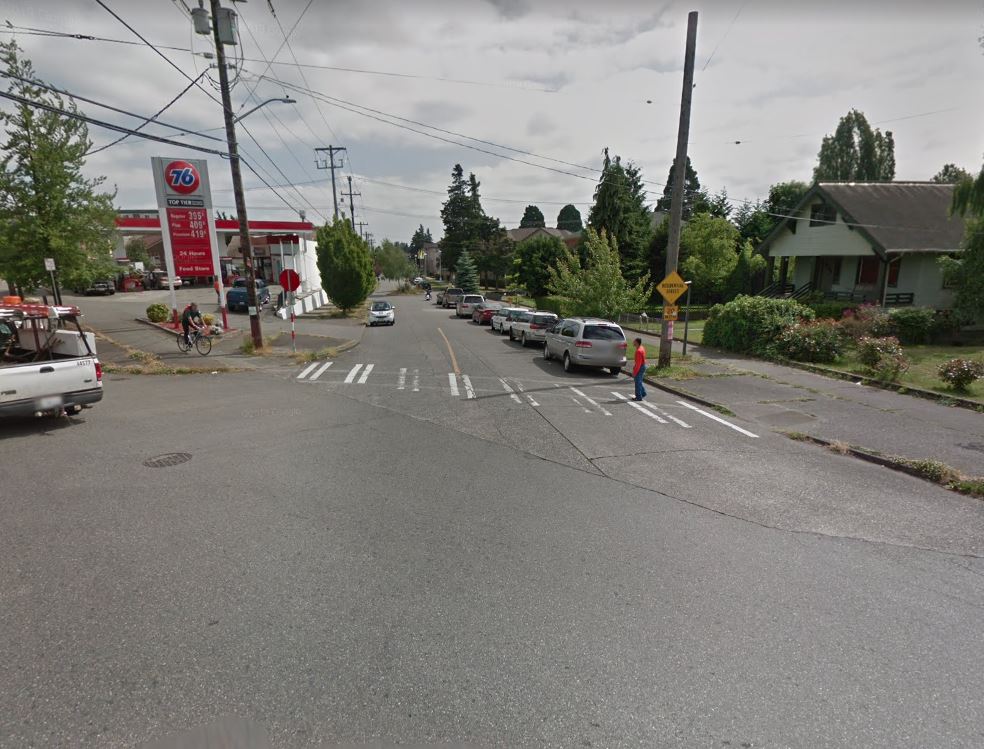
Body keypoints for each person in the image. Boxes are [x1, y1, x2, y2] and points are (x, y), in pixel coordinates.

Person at [632, 337, 647, 401]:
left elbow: (638, 363)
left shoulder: (638, 351)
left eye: (634, 341)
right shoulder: (641, 348)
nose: (633, 342)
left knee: (637, 382)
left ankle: (638, 397)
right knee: (639, 381)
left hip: (640, 367)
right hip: (643, 366)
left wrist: (634, 372)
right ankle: (643, 393)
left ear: (637, 343)